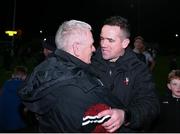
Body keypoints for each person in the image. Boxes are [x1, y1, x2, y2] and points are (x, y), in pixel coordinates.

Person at [18, 20, 125, 132]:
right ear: (77, 48)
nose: (94, 49)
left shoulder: (45, 68)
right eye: (91, 44)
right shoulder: (82, 88)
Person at [91, 16, 160, 132]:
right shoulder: (90, 62)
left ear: (125, 43)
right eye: (102, 38)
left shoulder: (139, 69)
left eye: (110, 40)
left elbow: (151, 105)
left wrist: (126, 116)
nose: (103, 44)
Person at [0, 66, 28, 132]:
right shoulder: (22, 86)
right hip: (16, 121)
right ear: (24, 76)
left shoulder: (6, 83)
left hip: (3, 119)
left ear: (13, 75)